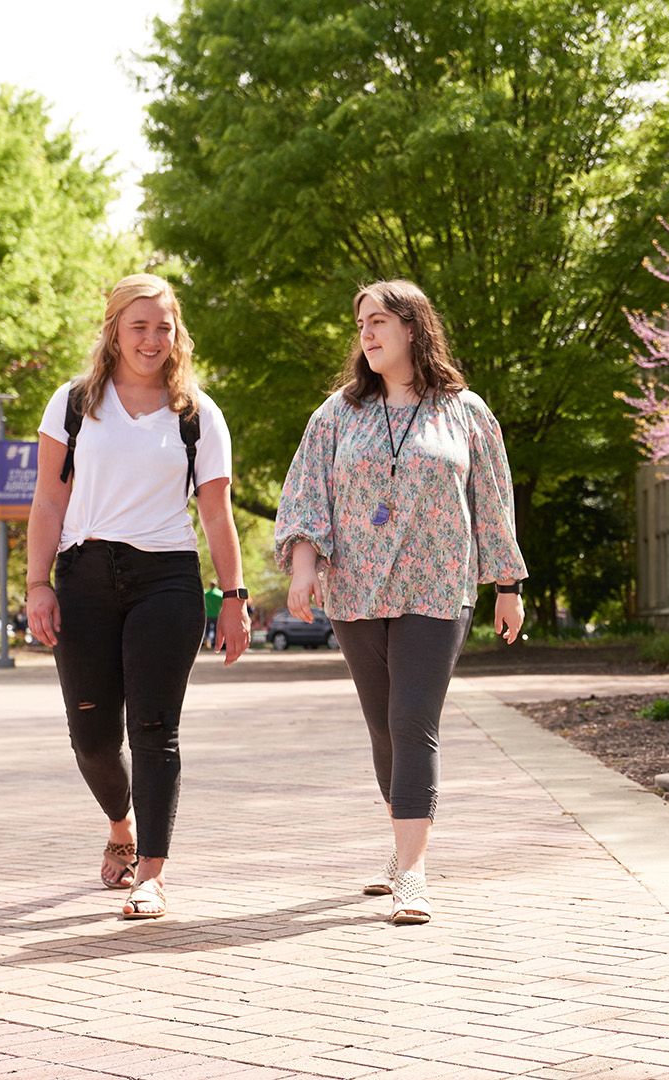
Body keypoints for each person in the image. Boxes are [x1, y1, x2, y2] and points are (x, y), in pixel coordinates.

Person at [275, 279, 527, 926]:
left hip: (438, 585)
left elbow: (494, 505)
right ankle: (400, 847)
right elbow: (306, 496)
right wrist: (303, 570)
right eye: (361, 321)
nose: (367, 331)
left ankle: (413, 873)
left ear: (413, 328)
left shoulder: (466, 412)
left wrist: (508, 585)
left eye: (380, 319)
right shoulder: (336, 414)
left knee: (414, 717)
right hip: (356, 590)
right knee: (384, 726)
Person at [25, 273, 249, 921]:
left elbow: (216, 513)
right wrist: (37, 584)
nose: (152, 339)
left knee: (154, 729)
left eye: (163, 327)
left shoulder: (197, 415)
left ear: (177, 334)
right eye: (139, 326)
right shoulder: (72, 404)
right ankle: (121, 824)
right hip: (83, 576)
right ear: (115, 330)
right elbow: (47, 499)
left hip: (167, 580)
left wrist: (233, 598)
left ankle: (152, 872)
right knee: (92, 737)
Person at [202, 582, 222, 649]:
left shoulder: (206, 594)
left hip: (207, 614)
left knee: (207, 629)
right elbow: (222, 604)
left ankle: (207, 640)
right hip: (217, 614)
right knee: (216, 630)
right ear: (216, 585)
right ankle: (215, 644)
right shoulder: (220, 594)